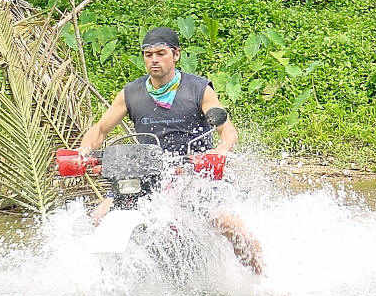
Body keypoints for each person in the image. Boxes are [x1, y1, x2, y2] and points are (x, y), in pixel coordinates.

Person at [77, 27, 264, 274]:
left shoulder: (198, 89)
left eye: (160, 53)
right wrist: (83, 152)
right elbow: (100, 129)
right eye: (148, 54)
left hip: (194, 174)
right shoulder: (130, 93)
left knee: (228, 224)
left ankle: (263, 278)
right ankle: (101, 287)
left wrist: (219, 152)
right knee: (99, 217)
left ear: (175, 55)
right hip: (147, 174)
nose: (154, 59)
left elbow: (227, 131)